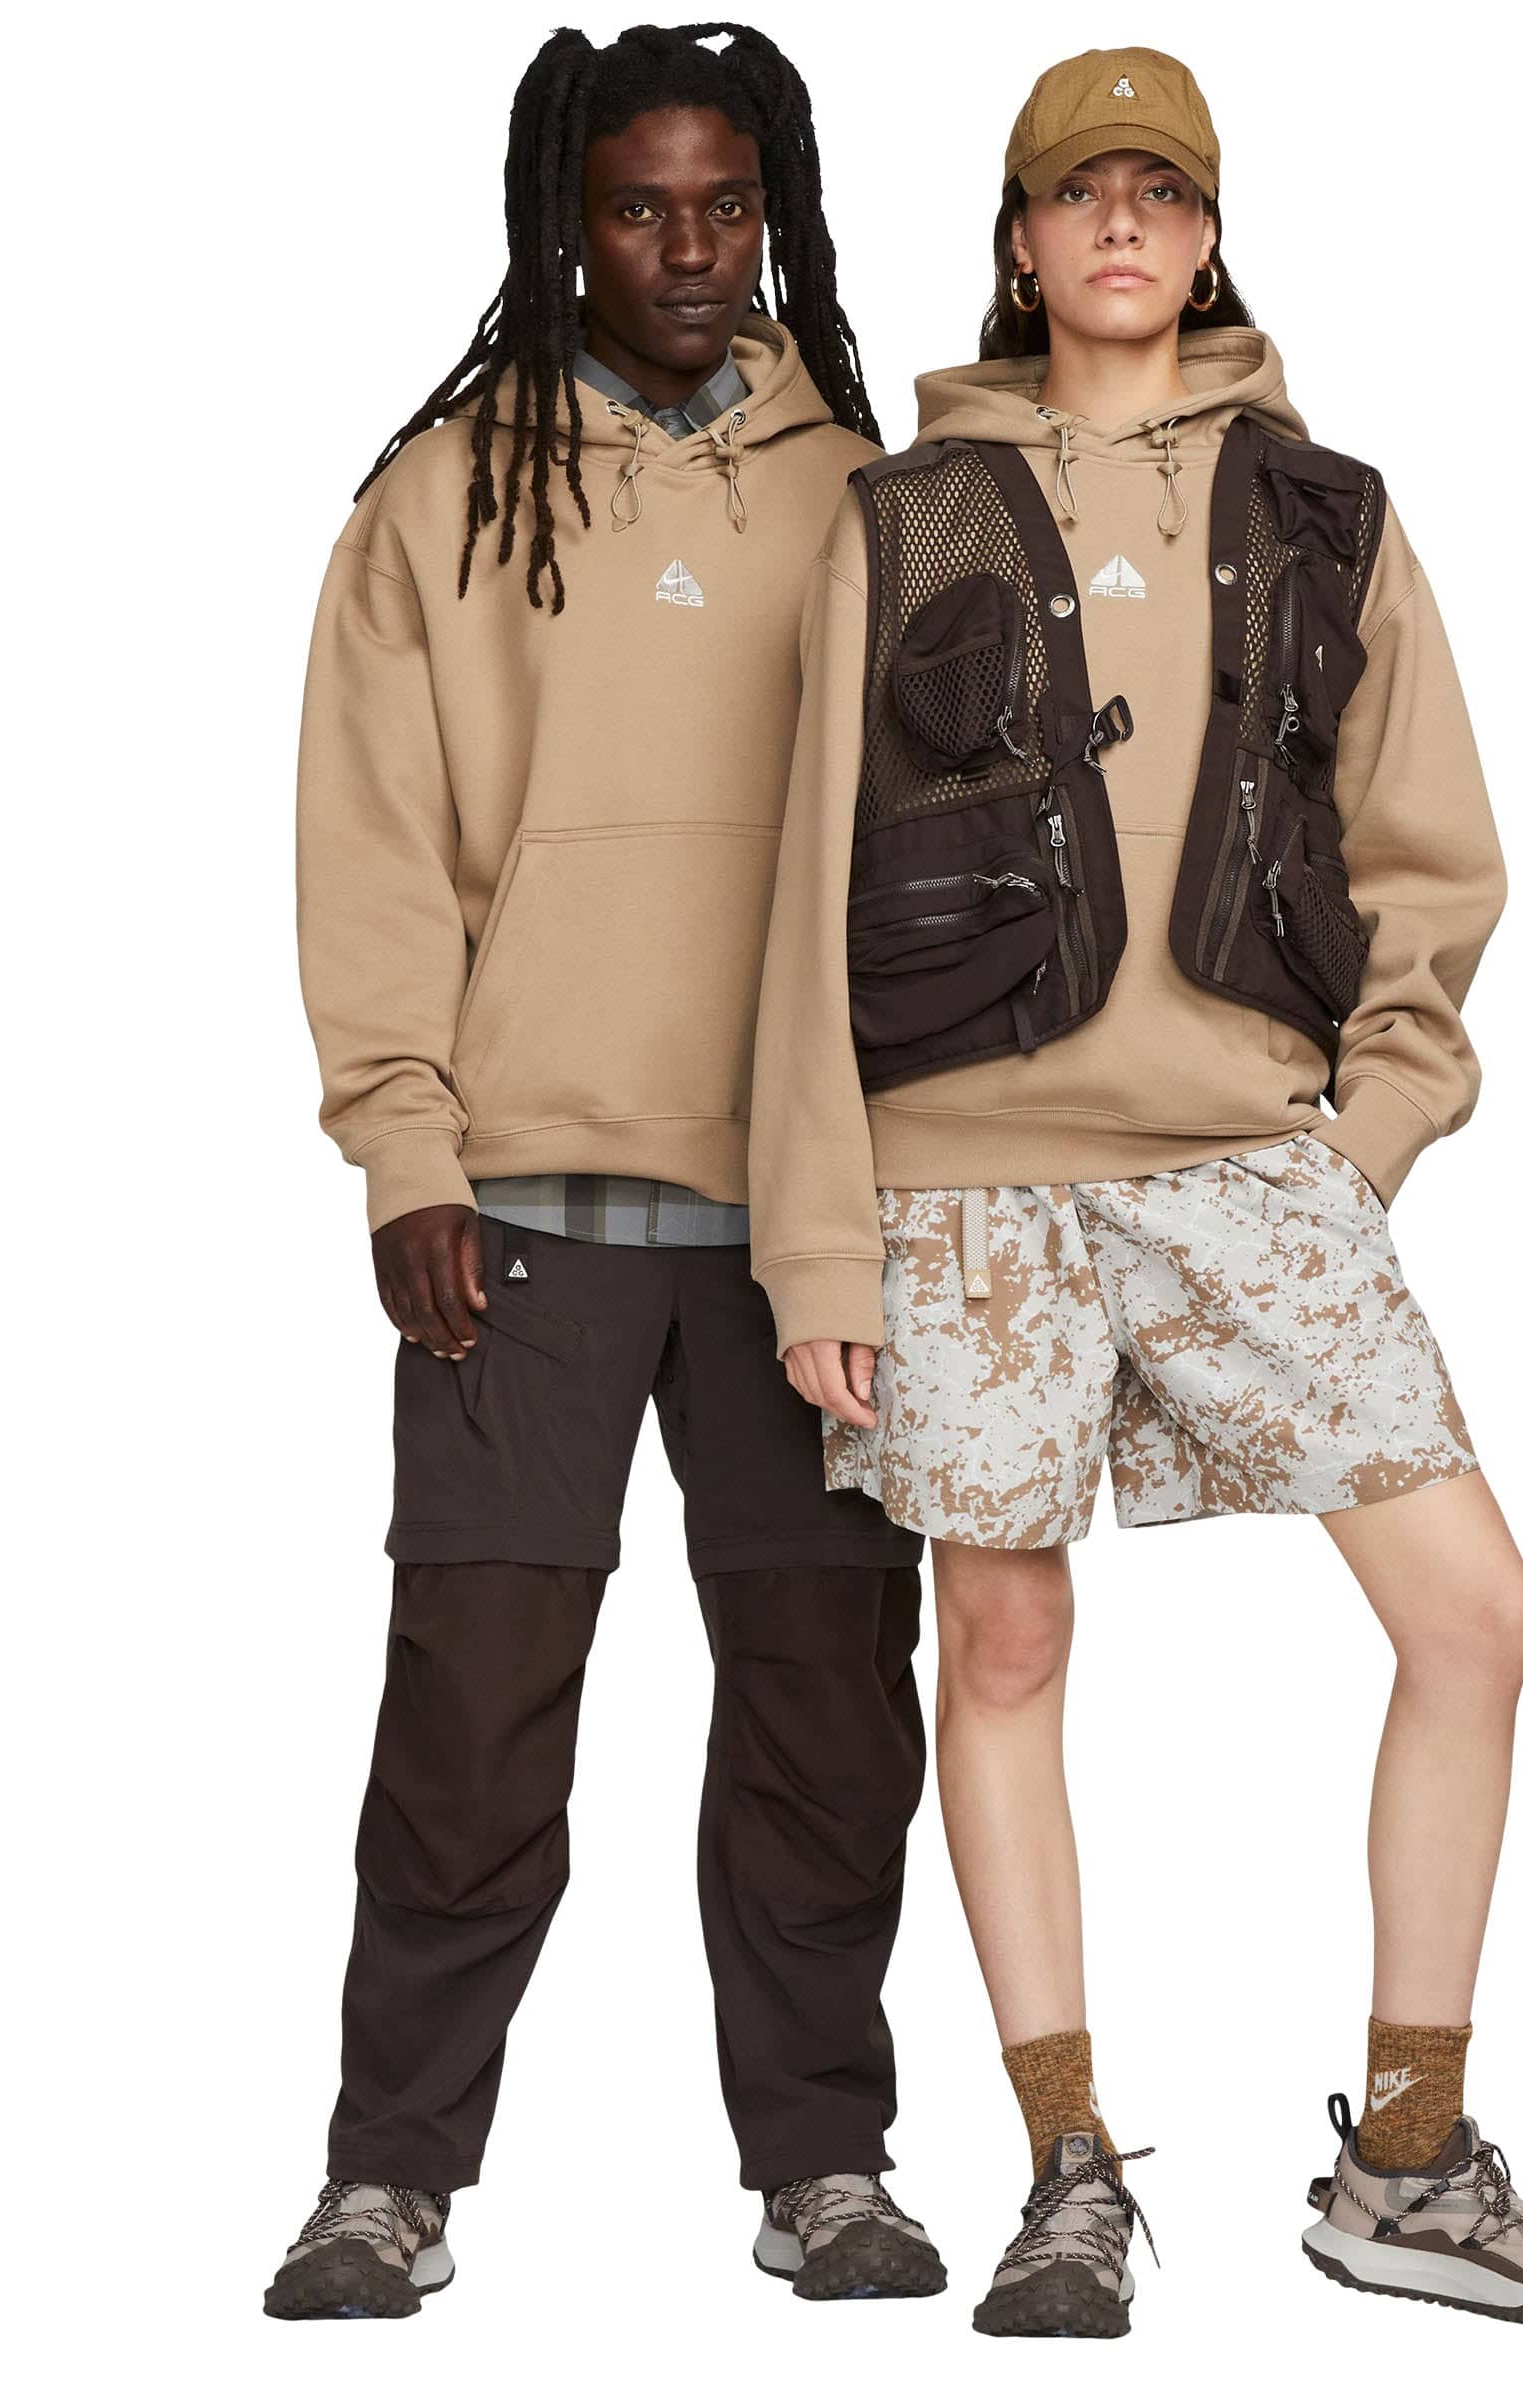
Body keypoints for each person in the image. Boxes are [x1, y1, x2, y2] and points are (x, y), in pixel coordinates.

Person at [751, 46, 1523, 2338]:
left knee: (1477, 1613)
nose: (1123, 227)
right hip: (961, 1180)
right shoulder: (905, 514)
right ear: (1022, 240)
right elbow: (799, 893)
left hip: (1253, 1162)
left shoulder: (1325, 510)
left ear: (1211, 232)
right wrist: (818, 1229)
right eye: (1083, 194)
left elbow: (1433, 854)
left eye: (1162, 192)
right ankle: (1067, 2173)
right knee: (1007, 1644)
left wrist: (1362, 1142)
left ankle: (1411, 2160)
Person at [273, 22, 944, 2320]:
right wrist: (405, 1150)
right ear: (569, 218)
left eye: (726, 205)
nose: (688, 247)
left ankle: (825, 2161)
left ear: (778, 217)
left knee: (831, 1716)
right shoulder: (445, 496)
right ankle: (391, 2179)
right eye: (641, 205)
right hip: (525, 1212)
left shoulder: (870, 493)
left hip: (810, 1230)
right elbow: (372, 842)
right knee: (469, 1717)